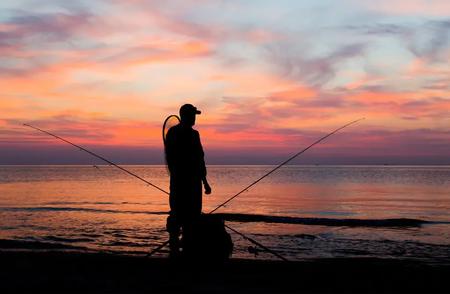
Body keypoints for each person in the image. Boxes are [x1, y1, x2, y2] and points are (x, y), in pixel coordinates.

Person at [164, 103, 211, 256]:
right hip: (189, 185)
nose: (194, 118)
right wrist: (204, 182)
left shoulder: (174, 133)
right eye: (193, 115)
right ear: (186, 116)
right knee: (189, 218)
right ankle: (184, 251)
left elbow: (197, 160)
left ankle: (176, 251)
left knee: (180, 217)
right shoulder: (192, 135)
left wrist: (205, 182)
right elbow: (199, 160)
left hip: (181, 183)